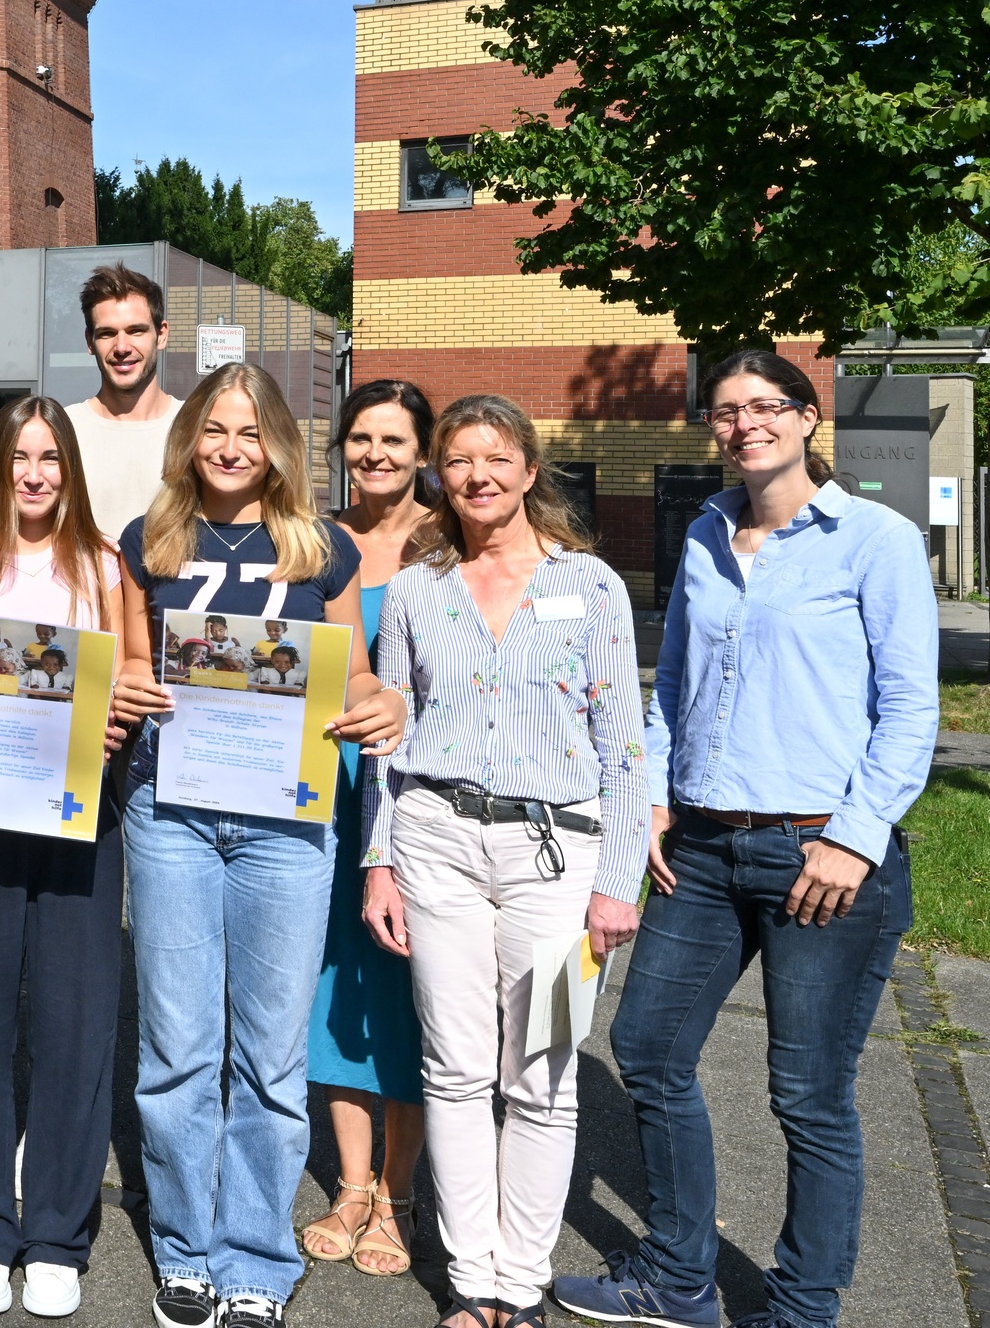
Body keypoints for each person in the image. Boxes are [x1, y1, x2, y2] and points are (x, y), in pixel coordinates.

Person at [554, 350, 934, 1328]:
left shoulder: (874, 540)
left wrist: (855, 838)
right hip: (704, 849)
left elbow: (908, 709)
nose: (745, 423)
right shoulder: (707, 532)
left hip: (822, 855)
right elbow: (672, 685)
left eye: (766, 405)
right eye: (725, 411)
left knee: (806, 1093)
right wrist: (650, 798)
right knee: (648, 1048)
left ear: (809, 418)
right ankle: (680, 1277)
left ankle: (803, 1308)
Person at [115, 363, 404, 1328]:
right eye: (214, 431)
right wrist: (126, 688)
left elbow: (355, 673)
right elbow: (122, 664)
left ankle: (255, 1259)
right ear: (190, 439)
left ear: (277, 441)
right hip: (171, 814)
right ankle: (185, 1248)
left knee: (271, 1056)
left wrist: (382, 701)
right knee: (177, 1048)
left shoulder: (320, 548)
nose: (231, 449)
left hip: (287, 823)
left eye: (250, 431)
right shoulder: (147, 540)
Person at [361, 394, 648, 1328]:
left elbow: (624, 746)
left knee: (545, 1068)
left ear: (529, 470)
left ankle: (522, 1285)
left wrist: (618, 883)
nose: (477, 475)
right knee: (453, 1067)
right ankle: (471, 1279)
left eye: (496, 458)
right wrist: (379, 860)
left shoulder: (593, 587)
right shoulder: (415, 589)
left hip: (557, 857)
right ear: (438, 477)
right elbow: (385, 736)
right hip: (435, 843)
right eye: (458, 460)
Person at [0, 396, 153, 1319]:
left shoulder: (105, 567)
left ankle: (59, 1231)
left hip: (76, 822)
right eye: (19, 458)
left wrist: (117, 711)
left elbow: (137, 675)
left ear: (70, 469)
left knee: (73, 1025)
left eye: (49, 459)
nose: (33, 475)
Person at [301, 381, 434, 1282]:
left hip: (421, 796)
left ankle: (401, 1189)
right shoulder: (311, 539)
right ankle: (350, 1184)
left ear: (423, 449)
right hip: (320, 781)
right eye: (360, 438)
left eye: (393, 439)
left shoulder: (452, 539)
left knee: (406, 985)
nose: (375, 454)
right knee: (332, 981)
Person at [65, 265, 183, 541]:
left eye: (136, 331)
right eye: (107, 333)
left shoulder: (196, 427)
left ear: (161, 334)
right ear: (90, 341)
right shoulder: (63, 430)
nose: (121, 347)